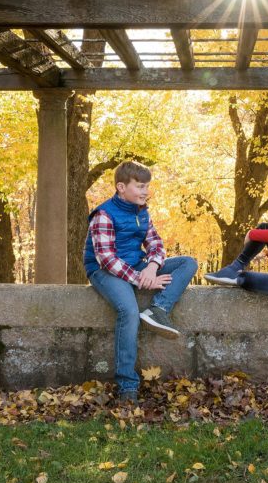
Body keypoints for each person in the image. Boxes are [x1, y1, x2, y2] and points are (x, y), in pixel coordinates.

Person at [83, 160, 198, 405]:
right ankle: (127, 385)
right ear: (121, 187)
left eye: (147, 186)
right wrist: (142, 279)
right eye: (140, 186)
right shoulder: (103, 214)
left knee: (188, 263)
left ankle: (158, 309)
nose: (145, 192)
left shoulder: (141, 212)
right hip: (104, 272)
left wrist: (153, 267)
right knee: (129, 310)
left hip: (137, 266)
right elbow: (106, 259)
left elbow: (156, 244)